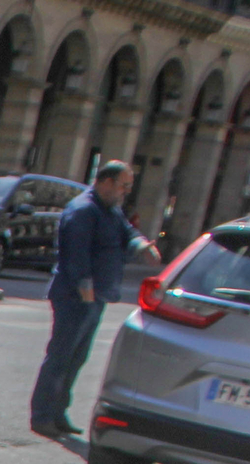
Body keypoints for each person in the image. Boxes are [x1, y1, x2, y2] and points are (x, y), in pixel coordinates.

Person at [31, 160, 156, 439]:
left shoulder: (109, 209)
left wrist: (142, 245)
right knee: (61, 356)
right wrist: (84, 286)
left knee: (77, 358)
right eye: (123, 185)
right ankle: (42, 416)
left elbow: (127, 232)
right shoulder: (84, 210)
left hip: (96, 295)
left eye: (128, 187)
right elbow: (75, 253)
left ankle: (58, 413)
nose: (125, 192)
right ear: (106, 182)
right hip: (76, 295)